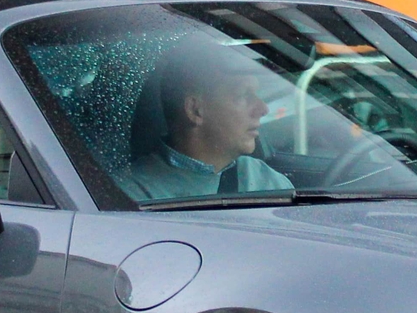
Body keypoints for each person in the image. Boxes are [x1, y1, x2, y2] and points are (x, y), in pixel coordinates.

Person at [115, 38, 294, 203]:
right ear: (195, 110)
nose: (263, 109)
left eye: (257, 94)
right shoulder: (135, 195)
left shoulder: (267, 180)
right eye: (243, 95)